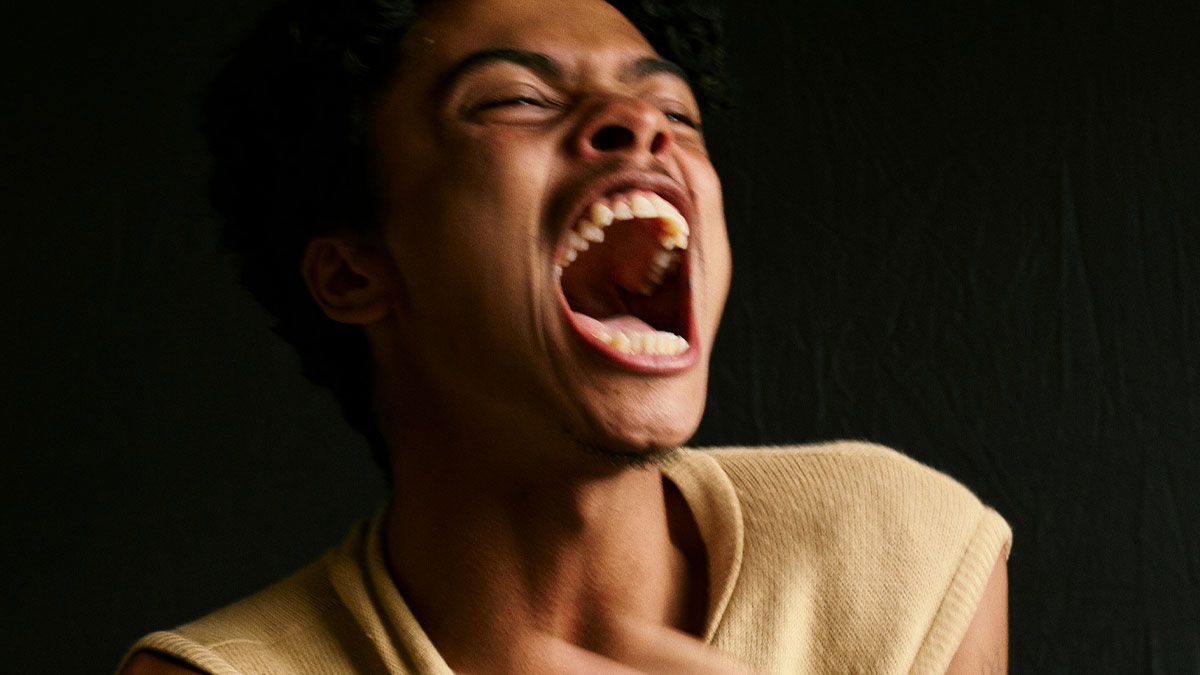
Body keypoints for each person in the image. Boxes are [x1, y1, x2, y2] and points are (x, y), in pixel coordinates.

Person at [118, 0, 1011, 672]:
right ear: (354, 274)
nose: (644, 123)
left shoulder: (906, 559)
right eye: (513, 98)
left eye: (677, 110)